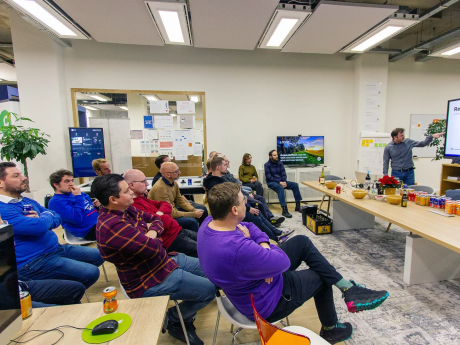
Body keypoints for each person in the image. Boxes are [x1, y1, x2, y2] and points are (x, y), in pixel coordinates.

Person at [197, 183, 390, 344]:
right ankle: (331, 329)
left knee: (302, 242)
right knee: (321, 278)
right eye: (243, 200)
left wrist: (263, 247)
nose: (246, 202)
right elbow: (282, 262)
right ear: (234, 209)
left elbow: (249, 226)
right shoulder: (238, 247)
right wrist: (264, 256)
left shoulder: (208, 224)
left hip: (248, 288)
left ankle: (348, 289)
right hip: (265, 303)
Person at [91, 174, 214, 345]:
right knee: (208, 290)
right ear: (113, 199)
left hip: (164, 261)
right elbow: (153, 247)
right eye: (127, 191)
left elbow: (157, 219)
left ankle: (181, 319)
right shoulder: (113, 226)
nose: (131, 193)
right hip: (148, 279)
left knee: (211, 271)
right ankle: (174, 318)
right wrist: (152, 235)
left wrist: (151, 232)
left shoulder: (125, 209)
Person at [0, 162, 104, 289]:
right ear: (1, 183)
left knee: (100, 255)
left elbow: (56, 217)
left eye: (21, 174)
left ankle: (64, 287)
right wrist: (44, 219)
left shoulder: (26, 201)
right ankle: (63, 289)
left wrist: (42, 219)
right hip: (34, 260)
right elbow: (39, 227)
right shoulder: (3, 209)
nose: (24, 178)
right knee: (89, 273)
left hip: (55, 248)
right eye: (16, 176)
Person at [203, 157, 293, 243]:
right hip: (229, 212)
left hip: (236, 207)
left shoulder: (219, 179)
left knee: (258, 213)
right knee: (256, 218)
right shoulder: (215, 184)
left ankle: (277, 233)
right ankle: (276, 238)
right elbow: (229, 202)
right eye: (224, 164)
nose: (227, 165)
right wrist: (248, 209)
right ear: (218, 167)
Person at [124, 169, 198, 258]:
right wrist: (162, 215)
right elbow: (164, 222)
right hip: (171, 240)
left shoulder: (141, 198)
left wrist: (160, 213)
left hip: (177, 231)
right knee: (204, 249)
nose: (147, 184)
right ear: (132, 185)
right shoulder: (133, 205)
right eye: (143, 181)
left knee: (206, 239)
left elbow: (166, 204)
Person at [218, 154, 284, 227]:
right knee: (257, 193)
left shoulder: (251, 167)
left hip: (250, 184)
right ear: (245, 159)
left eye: (251, 158)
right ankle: (269, 220)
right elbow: (241, 178)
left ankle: (271, 217)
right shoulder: (241, 167)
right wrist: (249, 181)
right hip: (246, 183)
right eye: (249, 158)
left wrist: (254, 179)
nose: (250, 160)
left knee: (259, 187)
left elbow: (253, 176)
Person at [148, 162, 208, 232]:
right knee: (192, 222)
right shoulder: (160, 188)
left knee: (202, 210)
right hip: (164, 216)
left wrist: (193, 210)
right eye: (176, 172)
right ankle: (197, 240)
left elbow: (180, 201)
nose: (179, 172)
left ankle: (203, 233)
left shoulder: (173, 183)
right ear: (168, 174)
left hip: (173, 209)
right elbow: (170, 212)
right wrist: (193, 214)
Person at [48, 169, 100, 241]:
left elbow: (90, 206)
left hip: (100, 220)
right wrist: (78, 196)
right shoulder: (56, 202)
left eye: (72, 180)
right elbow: (77, 218)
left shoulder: (78, 193)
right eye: (67, 181)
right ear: (56, 184)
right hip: (88, 229)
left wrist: (98, 204)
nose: (71, 184)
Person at [264, 150, 302, 218]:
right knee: (280, 188)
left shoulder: (280, 163)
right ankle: (284, 210)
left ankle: (298, 206)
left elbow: (283, 174)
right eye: (274, 155)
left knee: (295, 185)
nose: (276, 156)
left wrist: (284, 181)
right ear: (270, 157)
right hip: (271, 182)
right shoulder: (267, 165)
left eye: (277, 155)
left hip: (281, 181)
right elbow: (269, 177)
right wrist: (279, 182)